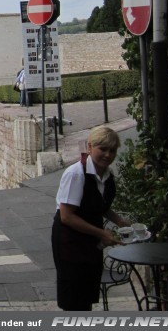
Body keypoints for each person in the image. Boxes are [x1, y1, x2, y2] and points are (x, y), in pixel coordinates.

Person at [51, 126, 129, 311]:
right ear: (90, 147)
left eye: (112, 150)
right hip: (70, 240)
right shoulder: (76, 174)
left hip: (90, 238)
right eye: (103, 149)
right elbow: (67, 216)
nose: (107, 155)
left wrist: (120, 221)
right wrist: (102, 233)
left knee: (86, 292)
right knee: (73, 296)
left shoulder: (107, 175)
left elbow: (98, 205)